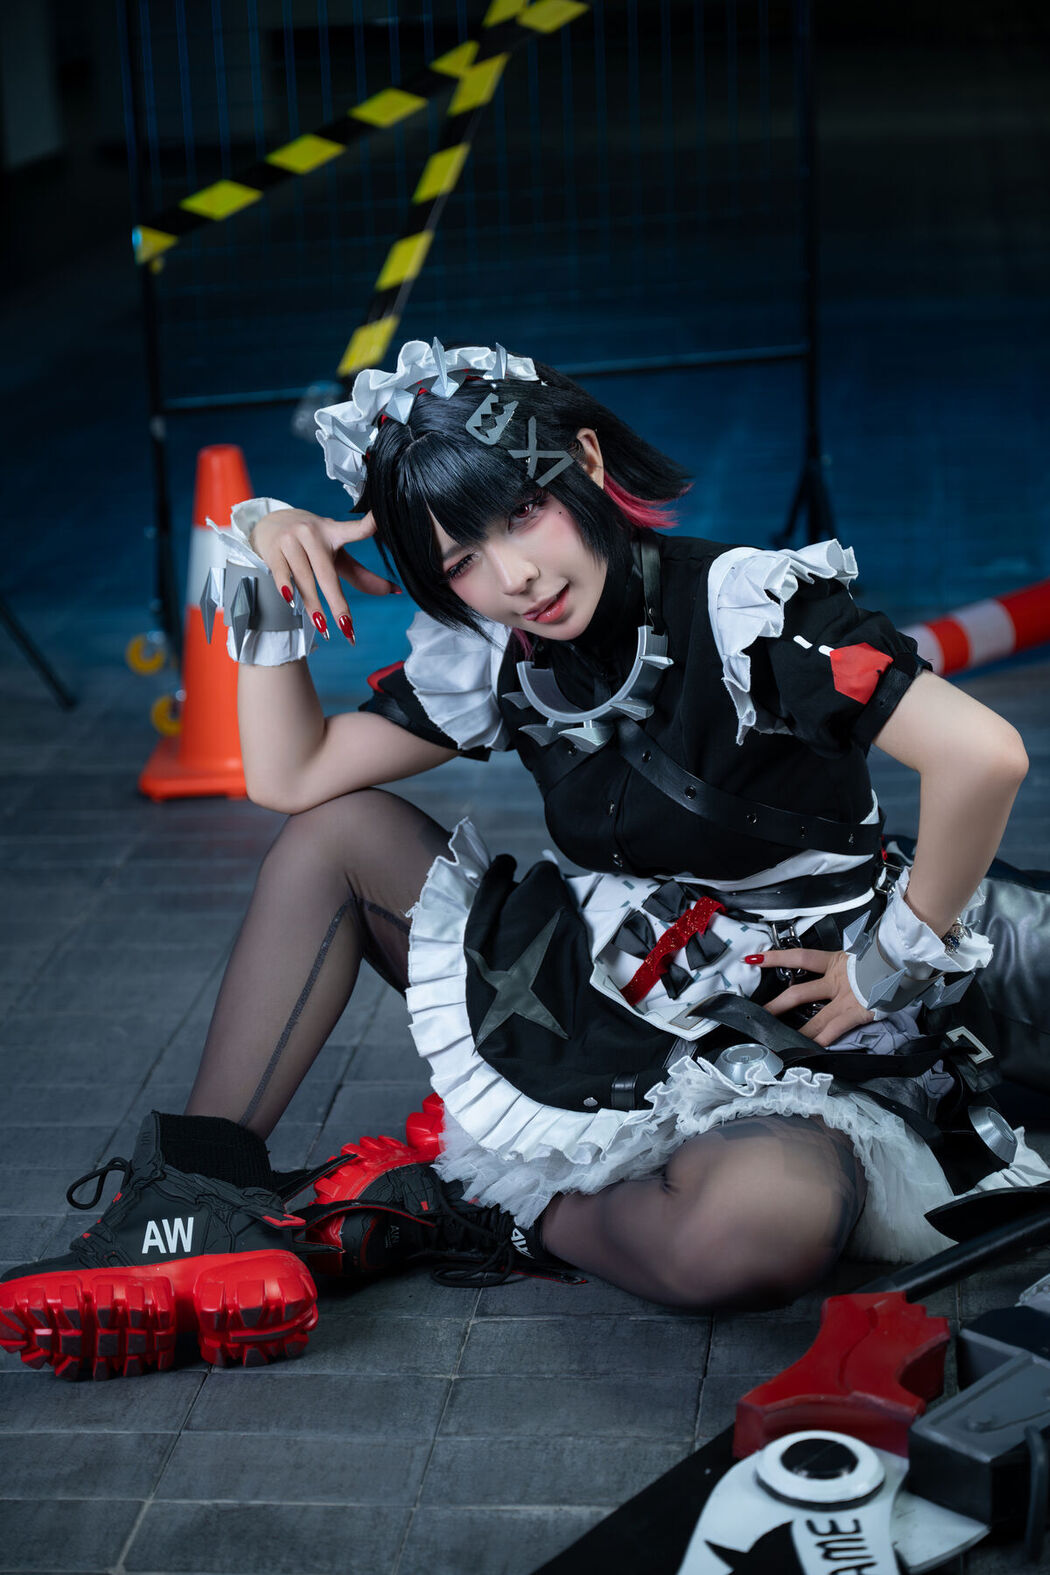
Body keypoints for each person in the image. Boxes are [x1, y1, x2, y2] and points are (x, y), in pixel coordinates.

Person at [3, 340, 1046, 1381]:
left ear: (585, 463)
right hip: (612, 981)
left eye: (524, 513)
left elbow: (983, 755)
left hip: (803, 1028)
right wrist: (268, 562)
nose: (515, 578)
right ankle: (192, 1197)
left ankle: (472, 1204)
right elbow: (293, 775)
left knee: (751, 1235)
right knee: (336, 835)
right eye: (462, 561)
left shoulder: (749, 613)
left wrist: (886, 962)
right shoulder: (503, 652)